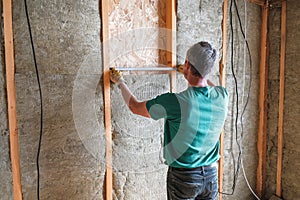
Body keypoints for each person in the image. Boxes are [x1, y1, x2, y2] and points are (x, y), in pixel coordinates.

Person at [110, 41, 229, 200]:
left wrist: (120, 82)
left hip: (184, 178)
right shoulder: (222, 96)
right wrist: (190, 73)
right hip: (211, 177)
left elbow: (134, 106)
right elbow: (209, 85)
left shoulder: (175, 102)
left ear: (187, 64)